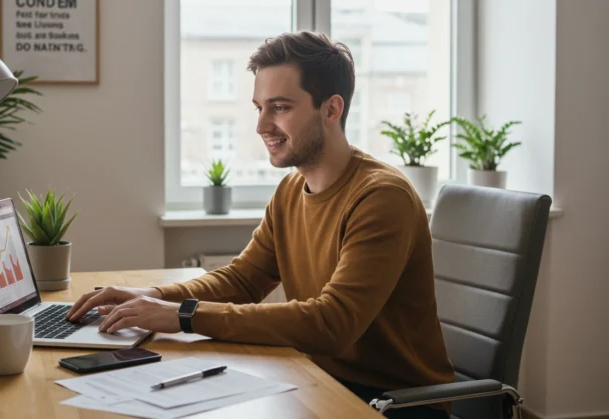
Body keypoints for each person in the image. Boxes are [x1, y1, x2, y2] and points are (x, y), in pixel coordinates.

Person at [66, 31, 454, 419]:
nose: (262, 126)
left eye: (280, 108)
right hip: (321, 381)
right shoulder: (290, 191)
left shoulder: (382, 197)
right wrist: (151, 295)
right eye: (259, 108)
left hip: (395, 403)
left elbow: (332, 323)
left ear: (332, 109)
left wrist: (183, 315)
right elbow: (242, 281)